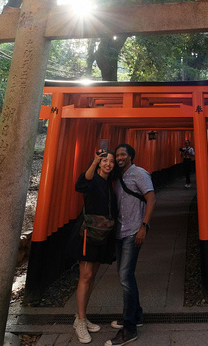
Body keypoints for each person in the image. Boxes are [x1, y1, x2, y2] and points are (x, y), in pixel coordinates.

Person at [105, 143, 155, 346]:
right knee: (126, 276)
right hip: (120, 231)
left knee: (125, 277)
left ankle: (129, 329)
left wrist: (144, 226)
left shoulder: (139, 174)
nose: (119, 158)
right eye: (117, 155)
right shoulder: (119, 175)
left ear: (131, 156)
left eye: (123, 154)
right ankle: (137, 315)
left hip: (134, 230)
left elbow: (151, 199)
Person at [72, 148, 117, 344]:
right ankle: (80, 321)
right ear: (98, 162)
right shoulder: (92, 179)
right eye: (104, 160)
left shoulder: (109, 184)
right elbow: (81, 184)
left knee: (93, 276)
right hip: (89, 233)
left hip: (103, 234)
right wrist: (93, 162)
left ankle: (81, 316)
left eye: (111, 161)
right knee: (86, 275)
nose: (108, 164)